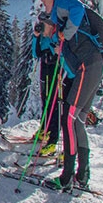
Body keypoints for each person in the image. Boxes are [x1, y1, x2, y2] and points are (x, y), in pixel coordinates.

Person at [39, 0, 103, 191]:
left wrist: (65, 35)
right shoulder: (59, 12)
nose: (43, 3)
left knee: (69, 117)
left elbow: (77, 9)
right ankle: (81, 175)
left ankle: (67, 177)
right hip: (92, 66)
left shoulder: (62, 1)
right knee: (77, 121)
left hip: (88, 65)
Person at [31, 11, 62, 157]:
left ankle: (53, 140)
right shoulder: (43, 37)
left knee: (54, 105)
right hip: (45, 72)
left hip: (55, 74)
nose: (42, 27)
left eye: (44, 24)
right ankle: (45, 128)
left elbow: (57, 53)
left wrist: (54, 49)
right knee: (46, 102)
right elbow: (36, 53)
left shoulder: (56, 36)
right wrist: (36, 37)